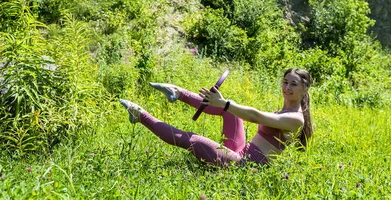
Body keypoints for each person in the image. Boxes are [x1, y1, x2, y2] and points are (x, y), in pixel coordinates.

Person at [119, 68, 313, 166]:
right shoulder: (285, 111)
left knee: (192, 139)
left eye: (294, 84)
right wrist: (224, 105)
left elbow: (255, 116)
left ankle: (140, 115)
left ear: (305, 88)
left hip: (242, 166)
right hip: (240, 151)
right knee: (228, 111)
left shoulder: (296, 119)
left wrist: (224, 103)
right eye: (285, 82)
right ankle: (177, 92)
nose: (287, 88)